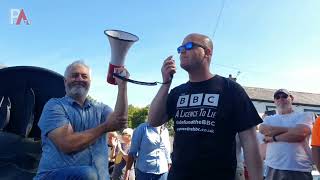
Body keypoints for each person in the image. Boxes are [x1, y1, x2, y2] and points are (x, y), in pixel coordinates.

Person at [148, 33, 263, 180]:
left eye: (189, 46)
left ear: (208, 52)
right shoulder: (178, 92)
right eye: (180, 48)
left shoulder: (230, 89)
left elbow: (250, 142)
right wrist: (166, 83)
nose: (182, 51)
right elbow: (153, 120)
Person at [34, 60, 129, 180]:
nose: (79, 79)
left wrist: (122, 85)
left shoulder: (101, 108)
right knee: (88, 174)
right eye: (74, 75)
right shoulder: (54, 106)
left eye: (84, 76)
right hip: (53, 176)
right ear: (65, 81)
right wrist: (105, 127)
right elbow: (67, 144)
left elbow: (119, 121)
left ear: (89, 82)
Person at [259, 89, 313, 180]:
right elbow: (263, 130)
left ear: (291, 98)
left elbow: (299, 134)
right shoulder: (269, 119)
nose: (281, 99)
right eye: (277, 97)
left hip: (298, 168)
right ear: (274, 101)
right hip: (272, 168)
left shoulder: (304, 115)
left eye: (284, 96)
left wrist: (273, 138)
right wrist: (292, 130)